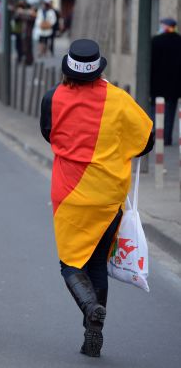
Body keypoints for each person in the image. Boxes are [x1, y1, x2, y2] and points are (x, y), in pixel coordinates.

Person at [40, 39, 154, 357]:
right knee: (97, 264)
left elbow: (47, 133)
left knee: (71, 262)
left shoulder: (53, 98)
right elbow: (146, 140)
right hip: (108, 195)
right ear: (97, 68)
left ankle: (90, 308)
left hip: (70, 195)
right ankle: (94, 327)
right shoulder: (119, 100)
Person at [151, 18, 181, 146]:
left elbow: (151, 64)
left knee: (155, 111)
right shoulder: (179, 41)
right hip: (174, 86)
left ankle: (155, 136)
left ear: (164, 26)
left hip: (157, 85)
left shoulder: (156, 41)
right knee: (170, 112)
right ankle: (167, 138)